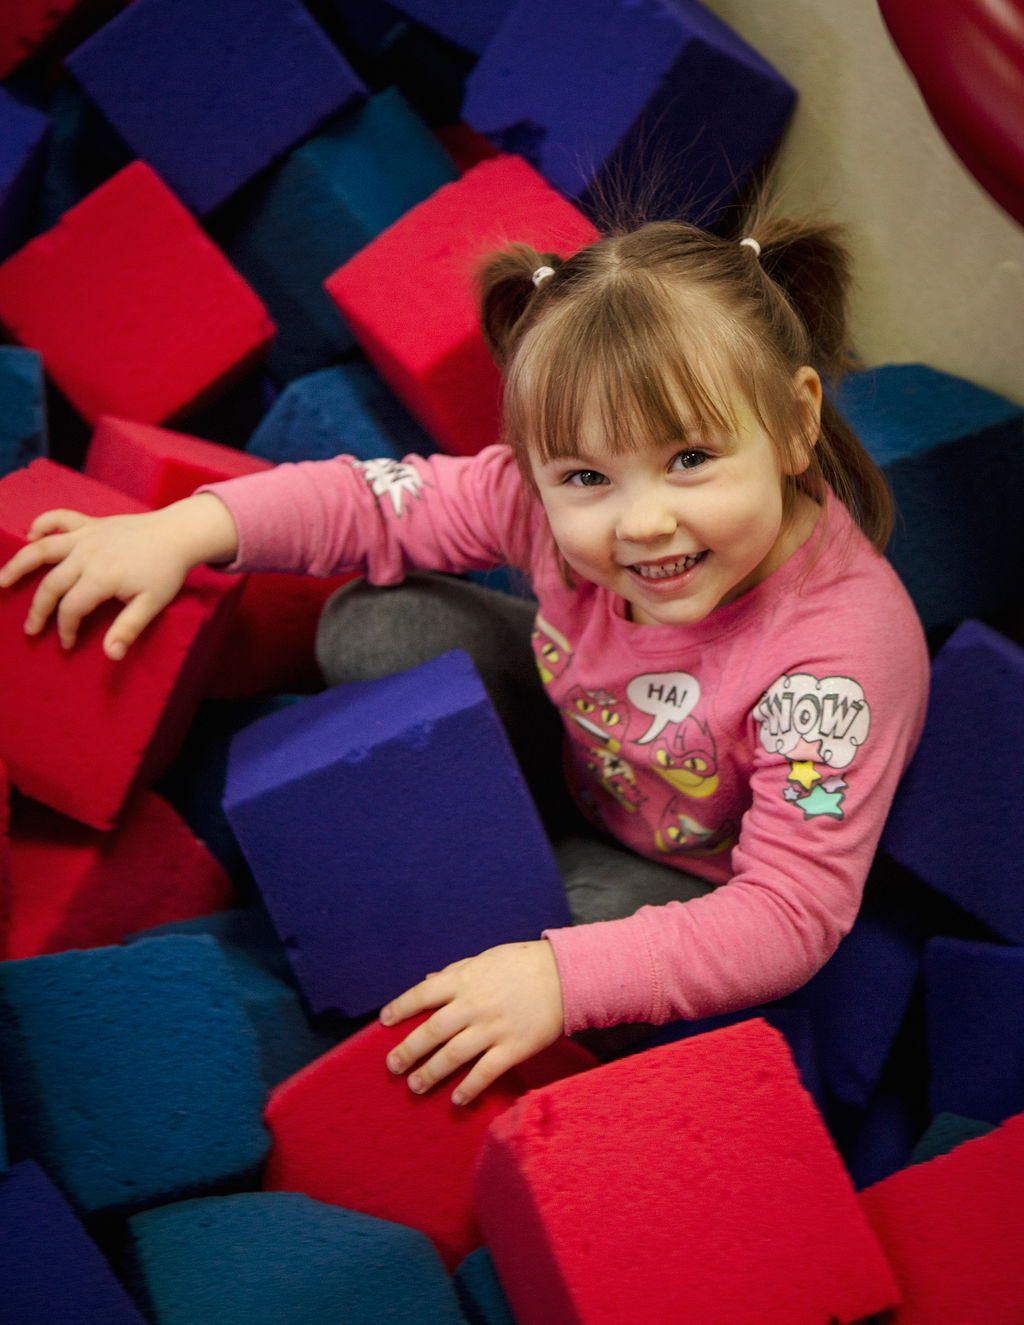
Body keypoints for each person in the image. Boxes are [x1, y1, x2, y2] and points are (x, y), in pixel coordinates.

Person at [0, 211, 930, 1107]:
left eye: (691, 458)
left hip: (680, 872)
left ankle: (513, 935)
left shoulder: (835, 663)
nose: (644, 521)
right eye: (587, 479)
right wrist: (184, 528)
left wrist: (556, 979)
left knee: (530, 935)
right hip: (575, 745)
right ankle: (489, 850)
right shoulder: (541, 503)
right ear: (536, 468)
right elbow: (373, 504)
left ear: (797, 422)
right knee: (375, 621)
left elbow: (789, 914)